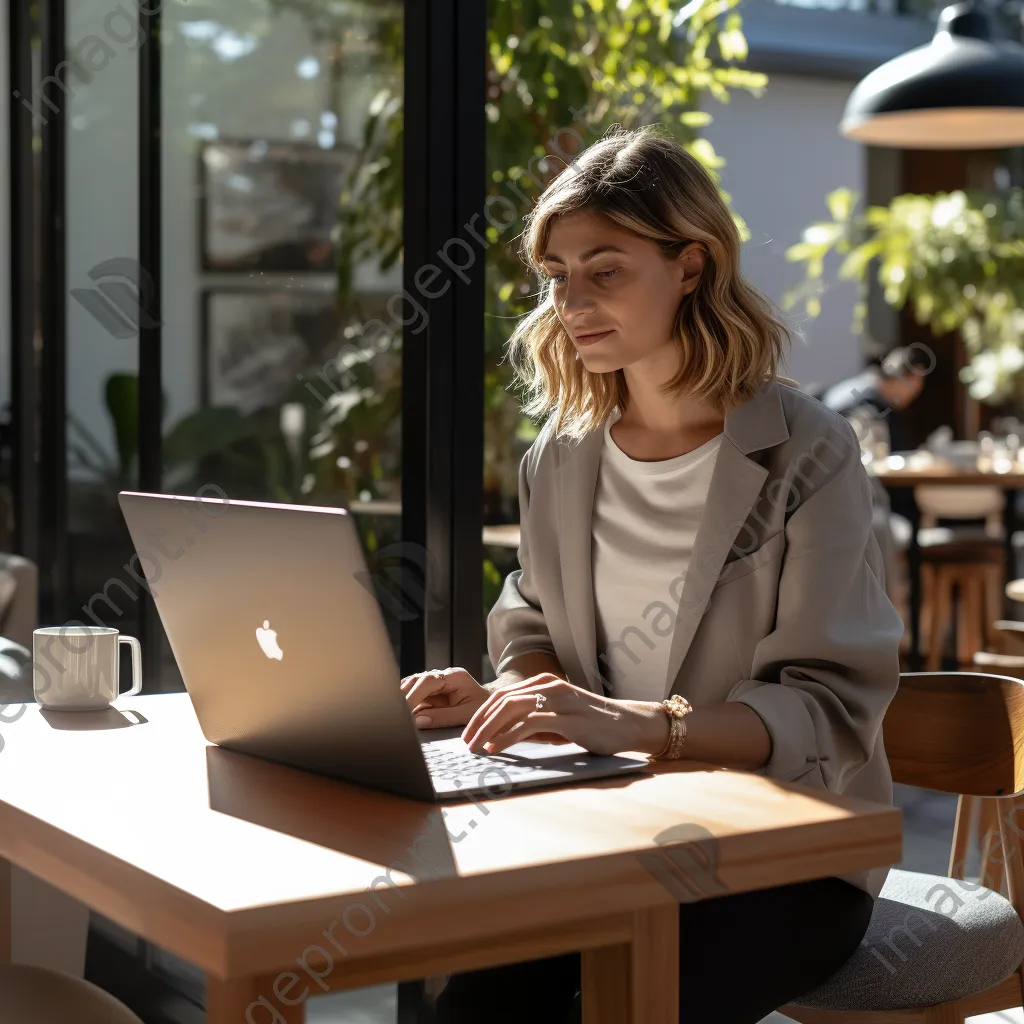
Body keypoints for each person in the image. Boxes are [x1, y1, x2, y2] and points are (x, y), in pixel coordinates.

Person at [400, 125, 903, 1024]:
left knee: (635, 1007)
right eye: (557, 275)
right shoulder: (562, 454)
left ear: (692, 265)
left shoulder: (808, 450)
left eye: (605, 269)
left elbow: (826, 708)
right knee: (469, 1010)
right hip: (603, 831)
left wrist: (629, 723)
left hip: (785, 852)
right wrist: (509, 694)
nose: (572, 301)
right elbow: (535, 631)